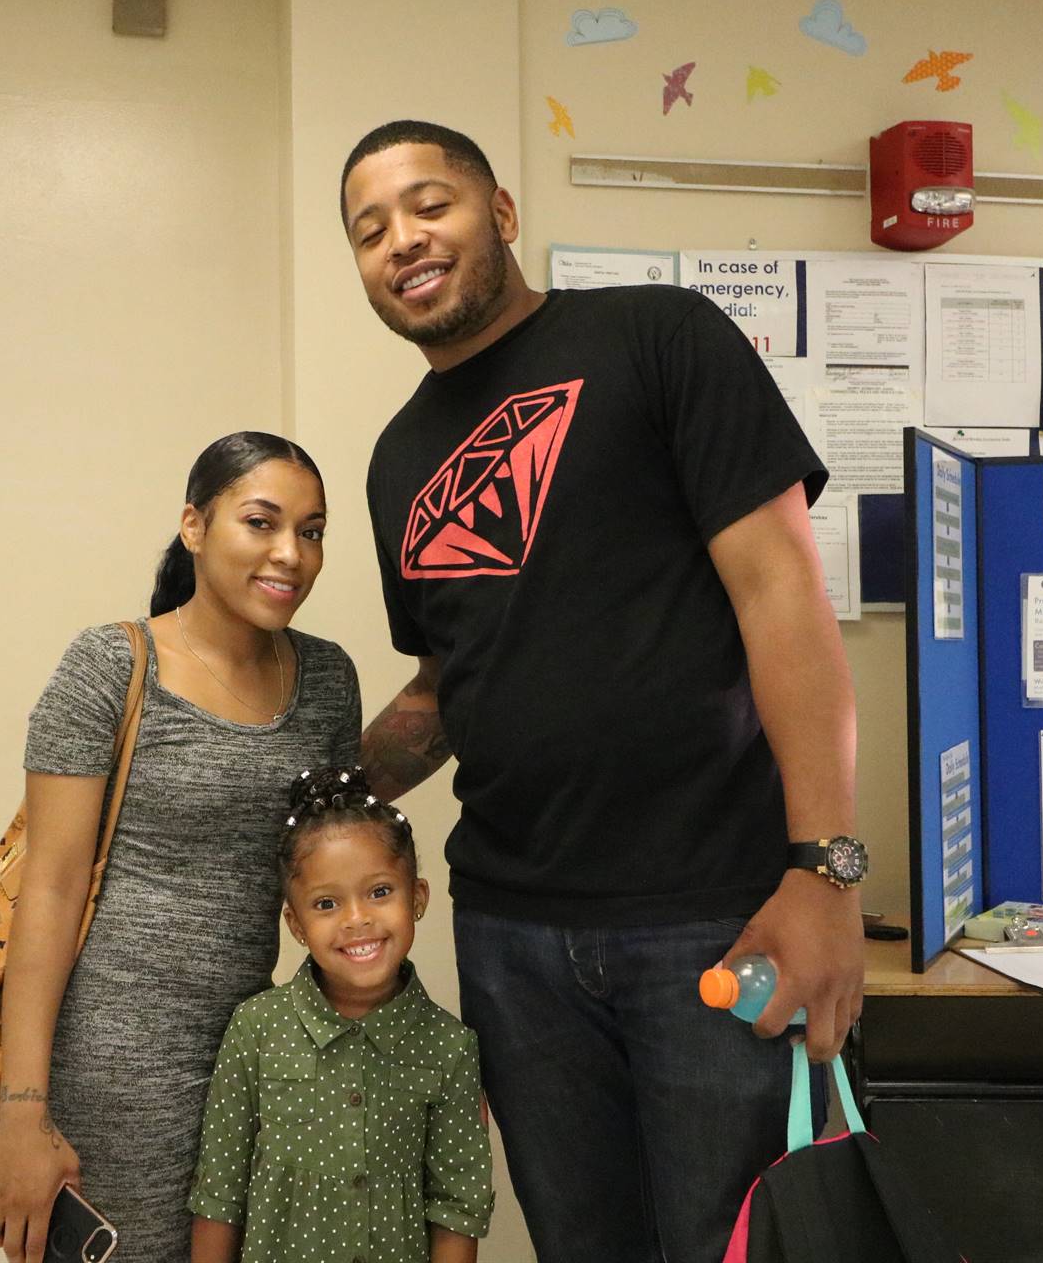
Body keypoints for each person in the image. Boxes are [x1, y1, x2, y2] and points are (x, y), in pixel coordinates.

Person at [341, 121, 864, 1262]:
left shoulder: (657, 336)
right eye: (370, 230)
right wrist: (324, 787)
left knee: (737, 1245)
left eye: (430, 204)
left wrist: (826, 866)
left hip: (709, 913)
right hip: (512, 936)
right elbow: (449, 676)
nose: (402, 240)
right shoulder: (396, 460)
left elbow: (783, 593)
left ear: (504, 213)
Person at [0, 433, 363, 1263]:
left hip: (262, 1051)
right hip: (115, 1067)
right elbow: (49, 890)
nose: (291, 554)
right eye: (261, 522)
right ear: (194, 524)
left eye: (314, 530)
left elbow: (333, 882)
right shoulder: (110, 667)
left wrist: (381, 1042)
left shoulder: (328, 680)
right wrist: (23, 1111)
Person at [190, 765, 492, 1263]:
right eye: (326, 903)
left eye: (379, 892)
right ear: (296, 924)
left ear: (416, 898)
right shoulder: (256, 1030)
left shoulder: (450, 1047)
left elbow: (458, 1208)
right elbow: (219, 1194)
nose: (357, 920)